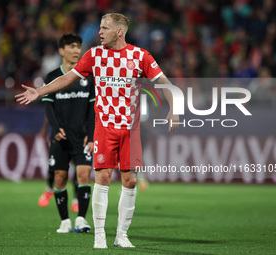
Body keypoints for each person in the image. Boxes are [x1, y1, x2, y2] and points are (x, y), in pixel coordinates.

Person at [16, 13, 179, 248]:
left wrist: (174, 108)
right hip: (105, 127)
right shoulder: (94, 55)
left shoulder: (140, 56)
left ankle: (121, 236)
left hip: (131, 130)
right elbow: (69, 78)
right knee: (102, 177)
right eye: (100, 27)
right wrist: (40, 91)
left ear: (119, 32)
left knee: (130, 181)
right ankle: (100, 235)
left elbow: (163, 81)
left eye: (105, 28)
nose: (99, 32)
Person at [37, 33, 95, 233]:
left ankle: (81, 219)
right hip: (60, 137)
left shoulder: (88, 77)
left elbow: (92, 110)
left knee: (84, 174)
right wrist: (55, 128)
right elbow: (48, 107)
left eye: (78, 47)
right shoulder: (52, 77)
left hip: (82, 137)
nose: (76, 51)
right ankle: (64, 221)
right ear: (61, 51)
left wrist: (91, 134)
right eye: (71, 47)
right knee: (59, 178)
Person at [37, 117, 79, 213]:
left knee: (78, 166)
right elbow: (50, 112)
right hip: (58, 133)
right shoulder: (59, 102)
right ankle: (49, 189)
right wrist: (44, 129)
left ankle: (76, 200)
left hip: (76, 132)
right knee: (53, 164)